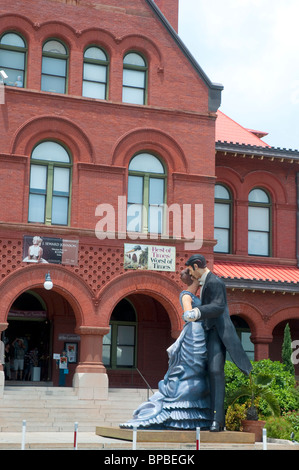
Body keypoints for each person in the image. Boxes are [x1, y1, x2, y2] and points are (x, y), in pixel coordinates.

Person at [120, 269, 212, 430]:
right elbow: (188, 313)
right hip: (193, 331)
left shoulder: (197, 295)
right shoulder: (186, 295)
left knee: (194, 368)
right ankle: (175, 410)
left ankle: (190, 413)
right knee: (186, 367)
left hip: (198, 333)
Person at [184, 254, 252, 432]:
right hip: (206, 333)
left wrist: (196, 312)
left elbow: (218, 306)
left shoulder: (215, 282)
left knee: (215, 371)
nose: (191, 275)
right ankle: (209, 416)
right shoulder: (205, 282)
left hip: (217, 333)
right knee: (206, 372)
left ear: (197, 266)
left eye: (191, 271)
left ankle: (217, 419)